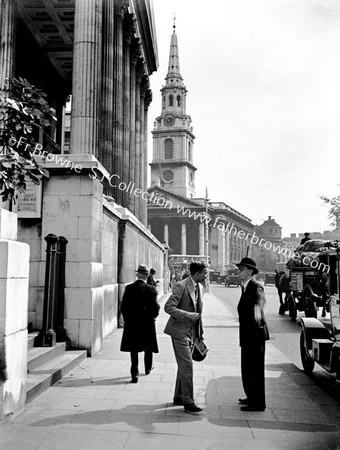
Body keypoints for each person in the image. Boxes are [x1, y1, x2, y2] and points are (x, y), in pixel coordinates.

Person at [164, 261, 208, 414]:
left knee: (184, 366)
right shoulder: (181, 286)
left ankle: (178, 396)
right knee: (187, 365)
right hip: (179, 332)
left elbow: (199, 313)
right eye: (204, 273)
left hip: (192, 334)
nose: (206, 275)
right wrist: (188, 315)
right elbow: (168, 307)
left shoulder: (201, 288)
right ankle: (188, 401)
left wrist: (200, 335)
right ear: (196, 274)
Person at [236, 257, 269, 412]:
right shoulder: (246, 286)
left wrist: (256, 328)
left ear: (249, 271)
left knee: (255, 369)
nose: (239, 272)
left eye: (241, 269)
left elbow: (259, 307)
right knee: (248, 368)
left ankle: (258, 403)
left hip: (254, 336)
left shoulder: (256, 287)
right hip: (248, 335)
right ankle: (251, 396)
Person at [120, 264, 160, 383]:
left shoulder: (129, 288)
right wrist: (152, 317)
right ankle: (148, 368)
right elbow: (156, 307)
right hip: (147, 322)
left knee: (134, 348)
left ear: (137, 274)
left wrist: (127, 319)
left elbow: (123, 307)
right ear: (147, 275)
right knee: (148, 346)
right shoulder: (151, 289)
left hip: (132, 322)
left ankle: (134, 373)